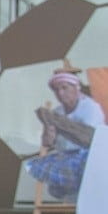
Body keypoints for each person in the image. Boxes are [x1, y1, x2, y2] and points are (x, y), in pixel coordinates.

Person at [27, 69, 105, 200]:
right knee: (33, 166)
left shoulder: (91, 108)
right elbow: (47, 143)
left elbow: (89, 139)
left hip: (89, 158)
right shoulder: (58, 111)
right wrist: (48, 126)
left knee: (77, 171)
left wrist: (58, 122)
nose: (60, 93)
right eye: (57, 90)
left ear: (76, 88)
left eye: (65, 88)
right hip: (64, 157)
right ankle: (66, 189)